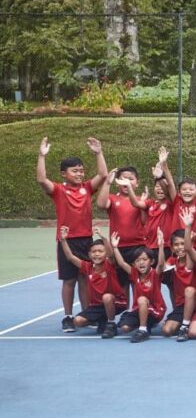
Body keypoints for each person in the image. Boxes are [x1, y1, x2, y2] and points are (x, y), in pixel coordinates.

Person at [36, 136, 108, 332]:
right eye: (75, 170)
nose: (79, 173)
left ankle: (86, 314)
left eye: (81, 170)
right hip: (67, 241)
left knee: (85, 279)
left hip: (86, 240)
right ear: (64, 174)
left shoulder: (86, 188)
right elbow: (41, 179)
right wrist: (42, 156)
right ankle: (68, 316)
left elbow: (103, 174)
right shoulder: (58, 190)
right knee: (69, 280)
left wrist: (98, 152)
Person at [58, 226, 126, 338]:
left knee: (107, 297)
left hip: (116, 302)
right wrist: (64, 240)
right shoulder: (87, 267)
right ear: (89, 255)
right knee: (78, 321)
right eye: (94, 252)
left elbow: (111, 255)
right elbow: (70, 257)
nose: (97, 254)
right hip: (97, 306)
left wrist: (104, 238)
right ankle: (102, 320)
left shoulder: (109, 265)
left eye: (100, 251)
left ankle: (111, 324)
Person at [98, 167, 149, 290]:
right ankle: (123, 309)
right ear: (117, 183)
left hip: (138, 247)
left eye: (131, 179)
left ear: (137, 183)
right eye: (123, 179)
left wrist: (143, 205)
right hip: (118, 248)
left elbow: (144, 221)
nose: (127, 181)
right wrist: (107, 183)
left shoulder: (140, 201)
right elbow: (101, 204)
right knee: (122, 285)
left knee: (139, 283)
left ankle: (140, 308)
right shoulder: (112, 198)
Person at [109, 233, 165, 343]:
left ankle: (143, 330)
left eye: (144, 259)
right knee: (125, 328)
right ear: (134, 264)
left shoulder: (154, 274)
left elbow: (161, 264)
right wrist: (115, 247)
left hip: (155, 310)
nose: (141, 262)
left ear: (152, 262)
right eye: (138, 260)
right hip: (139, 309)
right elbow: (121, 263)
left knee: (142, 299)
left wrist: (161, 246)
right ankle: (145, 324)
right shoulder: (134, 274)